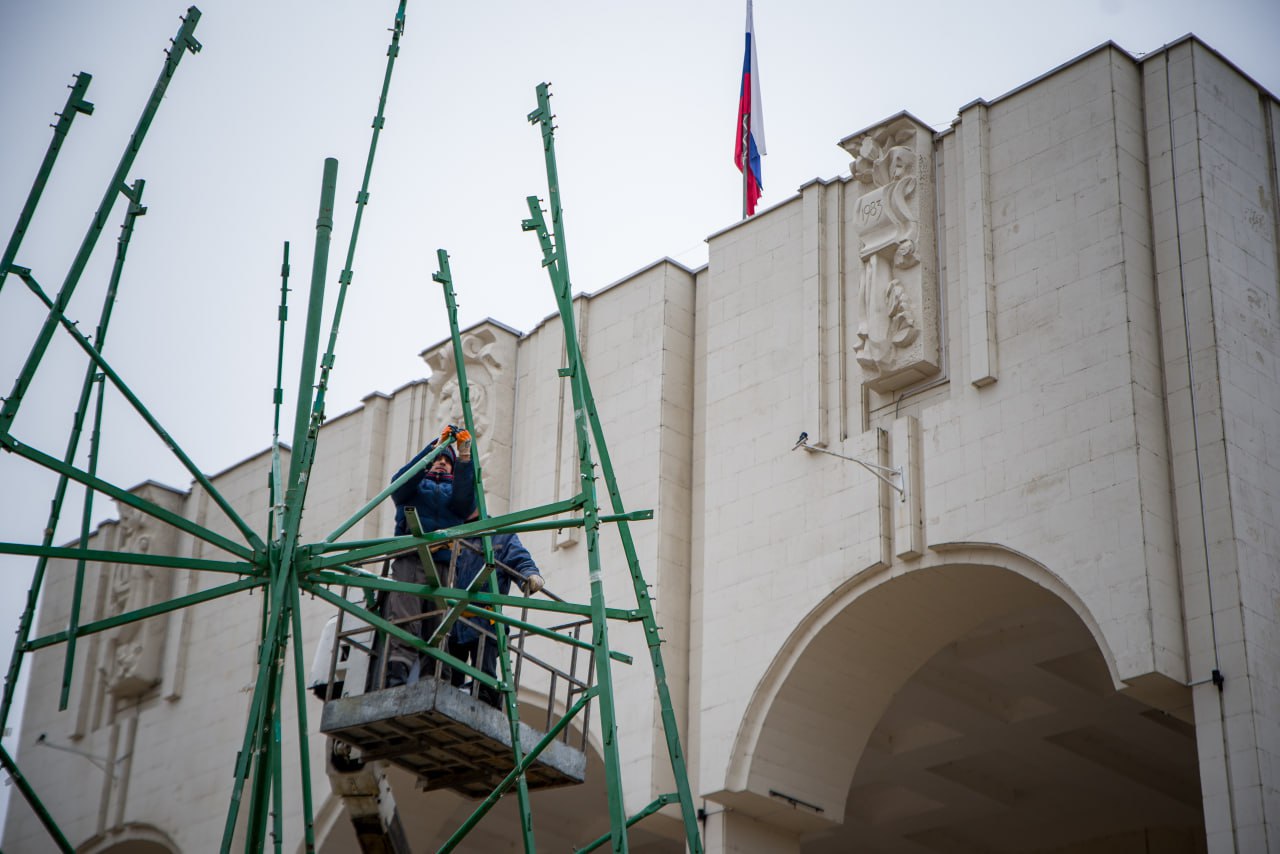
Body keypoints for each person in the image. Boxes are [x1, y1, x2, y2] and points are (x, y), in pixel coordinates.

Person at [381, 429, 474, 687]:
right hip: (410, 557)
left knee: (438, 621)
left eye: (447, 460)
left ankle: (434, 678)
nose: (442, 462)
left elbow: (466, 502)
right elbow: (398, 484)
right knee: (405, 613)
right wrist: (432, 449)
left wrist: (465, 457)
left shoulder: (453, 491)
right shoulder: (415, 487)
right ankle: (397, 672)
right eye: (438, 459)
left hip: (443, 559)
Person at [446, 512, 544, 707]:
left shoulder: (499, 534)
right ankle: (451, 694)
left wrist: (530, 576)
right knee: (448, 673)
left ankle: (486, 696)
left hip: (485, 616)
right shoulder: (451, 533)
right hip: (453, 618)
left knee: (485, 668)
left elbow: (519, 559)